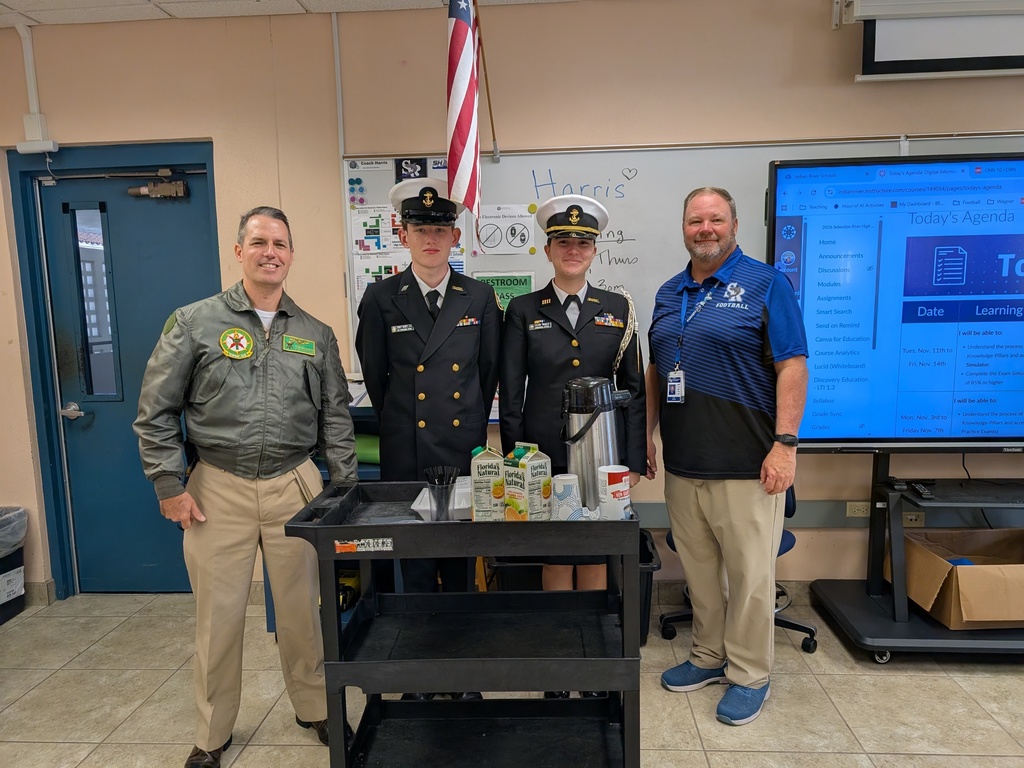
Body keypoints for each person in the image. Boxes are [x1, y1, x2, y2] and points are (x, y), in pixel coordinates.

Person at [134, 206, 358, 768]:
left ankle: (315, 707)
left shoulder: (315, 333)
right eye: (259, 242)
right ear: (239, 251)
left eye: (280, 243)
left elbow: (335, 419)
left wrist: (345, 491)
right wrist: (168, 484)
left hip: (296, 484)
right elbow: (155, 411)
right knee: (219, 618)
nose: (270, 252)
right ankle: (212, 735)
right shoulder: (193, 323)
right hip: (217, 488)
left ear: (290, 254)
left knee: (304, 612)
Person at [648, 187, 808, 726]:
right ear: (684, 227)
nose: (705, 229)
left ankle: (748, 674)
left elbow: (792, 365)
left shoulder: (767, 283)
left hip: (747, 464)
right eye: (696, 220)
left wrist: (785, 446)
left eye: (716, 219)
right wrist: (647, 433)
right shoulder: (669, 293)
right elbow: (656, 371)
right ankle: (708, 656)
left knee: (749, 578)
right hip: (683, 463)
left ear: (734, 224)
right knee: (698, 573)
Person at [355, 180, 501, 701]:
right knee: (413, 562)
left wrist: (466, 429)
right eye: (421, 229)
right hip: (408, 450)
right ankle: (418, 675)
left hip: (461, 451)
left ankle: (460, 675)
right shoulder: (381, 297)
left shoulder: (479, 297)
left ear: (455, 236)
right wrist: (404, 423)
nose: (431, 239)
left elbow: (486, 375)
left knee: (461, 562)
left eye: (440, 229)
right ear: (404, 234)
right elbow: (377, 379)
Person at [499, 195, 648, 698]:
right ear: (547, 249)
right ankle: (560, 657)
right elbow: (511, 389)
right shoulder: (522, 309)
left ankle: (592, 657)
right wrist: (519, 457)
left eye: (583, 242)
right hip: (544, 452)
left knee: (596, 553)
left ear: (594, 250)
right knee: (555, 551)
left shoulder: (619, 308)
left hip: (603, 453)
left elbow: (634, 389)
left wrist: (630, 463)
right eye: (563, 241)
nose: (573, 249)